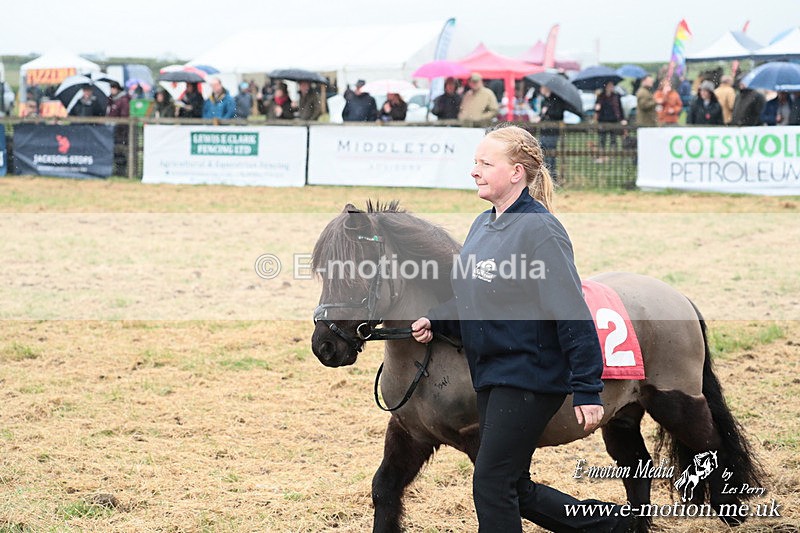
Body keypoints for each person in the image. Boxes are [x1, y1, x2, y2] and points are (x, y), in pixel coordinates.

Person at [410, 124, 636, 533]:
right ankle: (609, 526)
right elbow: (474, 296)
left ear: (516, 172)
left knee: (492, 481)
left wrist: (587, 386)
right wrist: (437, 318)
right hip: (492, 372)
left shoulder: (541, 229)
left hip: (530, 374)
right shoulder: (483, 224)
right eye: (475, 162)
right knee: (513, 483)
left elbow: (570, 310)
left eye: (485, 163)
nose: (474, 171)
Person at [532, 84, 565, 180]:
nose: (541, 89)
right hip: (544, 131)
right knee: (543, 153)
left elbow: (559, 114)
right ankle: (544, 176)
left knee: (551, 154)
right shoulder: (545, 101)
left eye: (543, 87)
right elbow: (542, 114)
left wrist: (548, 113)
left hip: (552, 132)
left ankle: (552, 176)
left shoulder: (557, 100)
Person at [594, 81, 627, 161]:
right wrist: (597, 107)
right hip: (603, 120)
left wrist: (623, 119)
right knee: (602, 139)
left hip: (613, 120)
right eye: (609, 86)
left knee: (613, 139)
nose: (611, 87)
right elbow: (596, 107)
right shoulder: (601, 96)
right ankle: (602, 155)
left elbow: (620, 109)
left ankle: (613, 156)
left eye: (612, 86)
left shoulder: (616, 96)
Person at [106, 80, 131, 176]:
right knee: (115, 151)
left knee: (121, 151)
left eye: (113, 88)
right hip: (113, 130)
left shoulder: (123, 100)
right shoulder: (112, 99)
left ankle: (121, 172)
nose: (112, 90)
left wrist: (117, 124)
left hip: (121, 131)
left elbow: (124, 116)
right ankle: (116, 171)